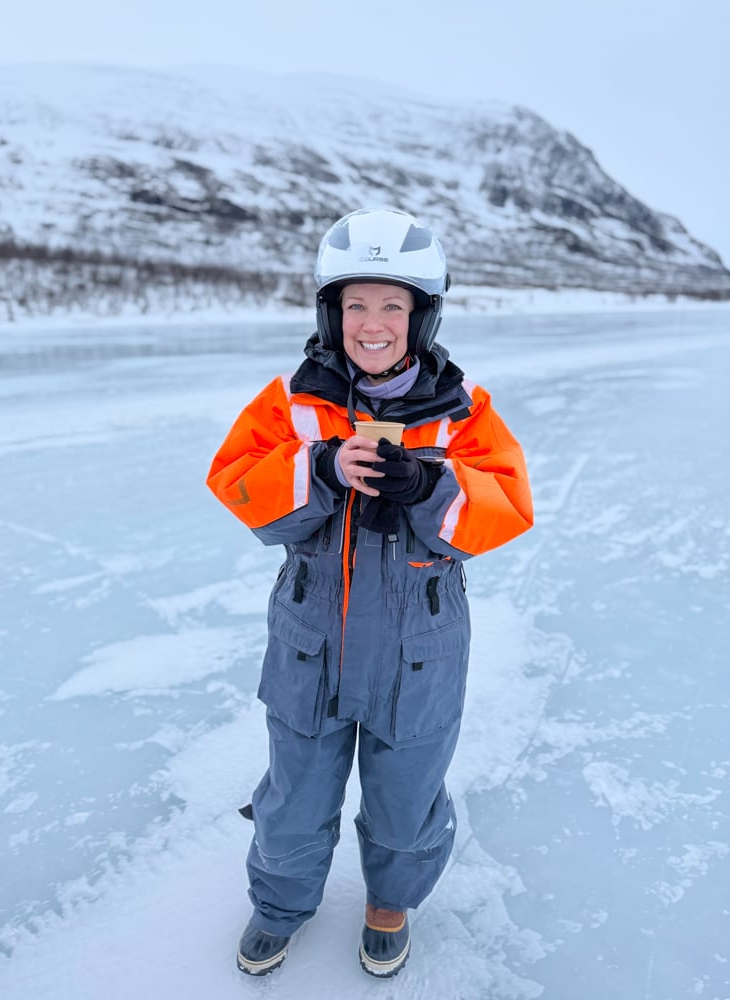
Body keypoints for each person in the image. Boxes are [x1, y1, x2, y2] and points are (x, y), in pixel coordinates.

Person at [206, 207, 533, 978]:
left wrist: (429, 483)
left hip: (419, 655)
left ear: (421, 316)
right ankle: (281, 905)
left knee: (405, 797)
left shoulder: (463, 412)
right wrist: (317, 468)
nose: (373, 322)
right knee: (293, 799)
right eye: (356, 304)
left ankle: (391, 901)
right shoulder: (292, 400)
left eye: (394, 304)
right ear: (332, 313)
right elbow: (235, 481)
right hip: (308, 647)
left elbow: (507, 507)